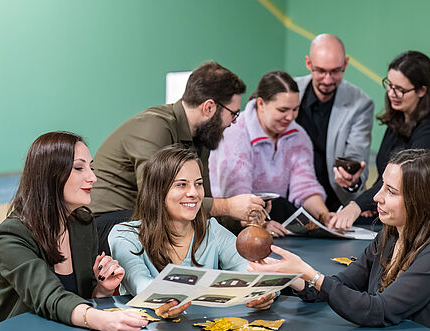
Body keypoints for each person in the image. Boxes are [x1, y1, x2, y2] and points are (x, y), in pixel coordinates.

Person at [0, 132, 148, 331]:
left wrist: (102, 290)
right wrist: (102, 319)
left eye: (90, 168)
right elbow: (49, 297)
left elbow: (79, 298)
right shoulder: (11, 236)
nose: (92, 178)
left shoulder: (82, 225)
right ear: (50, 175)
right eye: (79, 168)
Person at [250, 149, 430, 331]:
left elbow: (379, 310)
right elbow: (339, 284)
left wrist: (310, 274)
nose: (377, 197)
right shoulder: (388, 237)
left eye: (391, 191)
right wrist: (290, 274)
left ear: (421, 202)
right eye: (382, 186)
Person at [91, 61, 267, 255]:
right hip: (108, 223)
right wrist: (228, 206)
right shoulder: (155, 127)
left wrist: (240, 218)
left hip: (145, 219)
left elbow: (202, 204)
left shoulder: (201, 138)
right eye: (233, 114)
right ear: (209, 107)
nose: (233, 122)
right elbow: (157, 199)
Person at [109, 145, 275, 312]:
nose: (194, 193)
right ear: (157, 191)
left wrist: (263, 294)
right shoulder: (125, 235)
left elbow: (253, 272)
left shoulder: (213, 230)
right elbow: (140, 285)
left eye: (198, 184)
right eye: (182, 185)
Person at [329, 51, 430, 231]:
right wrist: (371, 202)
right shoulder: (399, 119)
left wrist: (357, 205)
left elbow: (405, 176)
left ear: (422, 90)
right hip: (407, 214)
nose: (392, 93)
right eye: (389, 85)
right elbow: (387, 175)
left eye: (400, 89)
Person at [209, 71, 336, 237]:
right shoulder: (235, 131)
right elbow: (237, 197)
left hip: (270, 216)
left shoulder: (298, 135)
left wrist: (324, 216)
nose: (290, 117)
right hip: (230, 223)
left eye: (295, 109)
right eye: (283, 110)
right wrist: (261, 224)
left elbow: (306, 187)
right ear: (261, 103)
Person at [294, 33, 374, 212]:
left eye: (336, 71)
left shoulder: (360, 103)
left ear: (346, 64)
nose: (328, 80)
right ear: (308, 63)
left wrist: (350, 179)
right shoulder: (289, 92)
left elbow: (356, 156)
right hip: (289, 197)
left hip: (335, 201)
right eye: (321, 71)